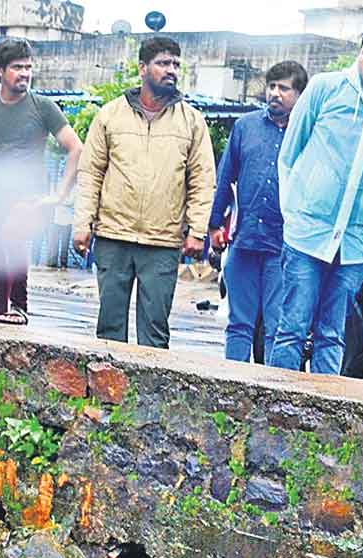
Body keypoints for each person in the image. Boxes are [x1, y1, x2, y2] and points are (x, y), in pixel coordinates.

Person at [270, 23, 363, 375]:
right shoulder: (326, 88)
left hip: (352, 242)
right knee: (292, 328)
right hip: (307, 232)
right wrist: (293, 213)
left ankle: (324, 405)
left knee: (333, 333)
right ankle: (276, 401)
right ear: (359, 54)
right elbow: (289, 154)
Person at [73, 36, 216, 349]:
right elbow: (91, 173)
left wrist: (197, 231)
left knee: (155, 332)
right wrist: (82, 224)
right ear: (142, 68)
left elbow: (203, 180)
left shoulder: (191, 121)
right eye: (163, 63)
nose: (171, 70)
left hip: (162, 241)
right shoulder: (110, 115)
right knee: (109, 328)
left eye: (175, 64)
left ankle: (151, 384)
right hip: (113, 236)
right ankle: (108, 383)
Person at [0, 39, 83, 326]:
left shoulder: (43, 107)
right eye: (17, 67)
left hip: (26, 196)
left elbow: (76, 148)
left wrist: (60, 194)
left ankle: (18, 307)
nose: (25, 73)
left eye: (28, 67)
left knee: (11, 243)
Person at [209, 61, 308, 363]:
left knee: (276, 327)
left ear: (300, 95)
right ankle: (231, 383)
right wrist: (215, 225)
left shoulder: (307, 133)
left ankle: (269, 386)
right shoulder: (245, 127)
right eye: (272, 86)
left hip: (284, 245)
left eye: (284, 88)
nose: (275, 93)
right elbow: (226, 177)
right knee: (239, 323)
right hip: (245, 239)